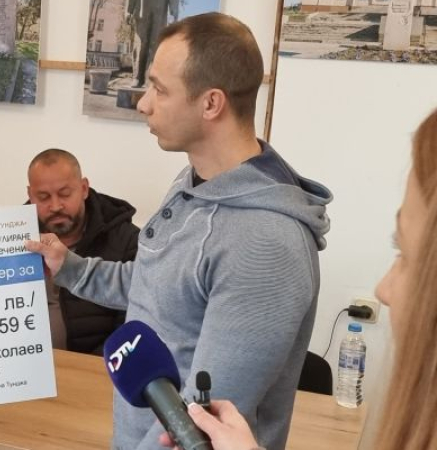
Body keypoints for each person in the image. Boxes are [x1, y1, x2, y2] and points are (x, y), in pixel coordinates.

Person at [25, 13, 332, 450]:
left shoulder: (266, 243)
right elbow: (156, 287)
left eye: (160, 89)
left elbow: (201, 424)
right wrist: (70, 267)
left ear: (210, 104)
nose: (143, 104)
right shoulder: (192, 186)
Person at [161, 109, 437, 450]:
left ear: (211, 104)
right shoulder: (184, 192)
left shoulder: (272, 240)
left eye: (405, 253)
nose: (383, 289)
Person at [26, 149, 139, 354]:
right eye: (43, 197)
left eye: (65, 194)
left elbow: (134, 326)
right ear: (30, 196)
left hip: (97, 366)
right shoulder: (13, 240)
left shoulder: (128, 241)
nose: (55, 206)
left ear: (84, 189)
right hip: (28, 364)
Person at [127, 0, 180, 88]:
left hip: (160, 6)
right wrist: (129, 10)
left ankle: (151, 78)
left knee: (156, 43)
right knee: (140, 43)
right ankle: (137, 77)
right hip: (142, 5)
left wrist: (173, 12)